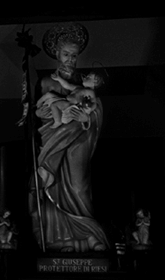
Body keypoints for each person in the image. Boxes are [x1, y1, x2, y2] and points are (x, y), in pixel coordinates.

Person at [29, 23, 110, 253]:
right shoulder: (46, 82)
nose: (70, 60)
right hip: (53, 140)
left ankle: (89, 236)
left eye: (74, 56)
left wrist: (85, 117)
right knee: (52, 187)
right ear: (57, 54)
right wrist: (40, 114)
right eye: (66, 54)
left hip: (78, 141)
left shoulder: (84, 84)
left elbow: (95, 112)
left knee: (79, 186)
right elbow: (36, 113)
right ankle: (61, 240)